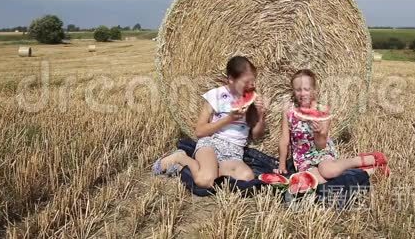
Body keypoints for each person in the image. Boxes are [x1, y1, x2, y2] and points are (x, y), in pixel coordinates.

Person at [153, 56, 267, 188]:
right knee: (205, 181)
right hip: (211, 144)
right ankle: (180, 158)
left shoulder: (252, 99)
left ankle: (213, 170)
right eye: (246, 82)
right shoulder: (216, 95)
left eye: (253, 81)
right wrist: (228, 119)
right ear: (231, 79)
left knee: (247, 178)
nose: (251, 86)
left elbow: (257, 135)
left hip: (234, 151)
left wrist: (261, 114)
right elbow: (200, 131)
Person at [274, 69, 390, 183]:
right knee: (313, 180)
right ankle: (370, 171)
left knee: (328, 171)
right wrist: (282, 164)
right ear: (293, 91)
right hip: (302, 157)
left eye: (306, 89)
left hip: (322, 151)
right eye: (298, 90)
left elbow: (321, 145)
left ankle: (363, 160)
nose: (302, 93)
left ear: (314, 90)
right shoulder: (288, 112)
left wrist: (318, 133)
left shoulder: (323, 111)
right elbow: (284, 140)